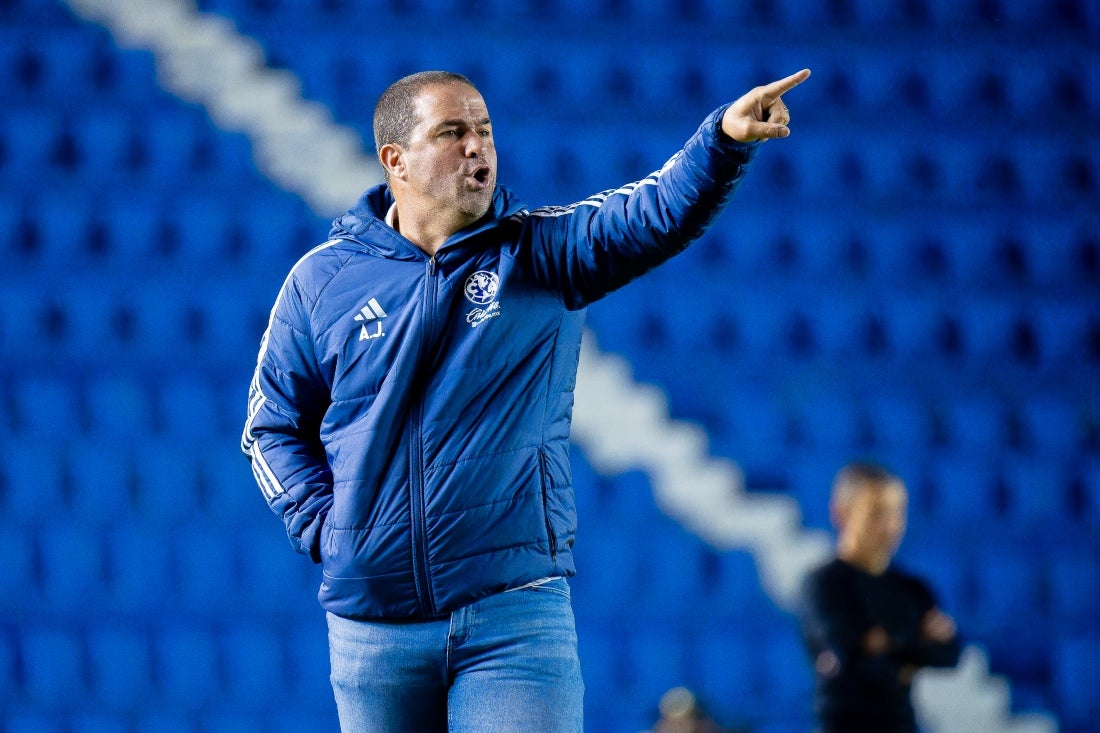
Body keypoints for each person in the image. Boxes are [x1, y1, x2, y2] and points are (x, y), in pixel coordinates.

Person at [242, 66, 810, 732]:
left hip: (511, 617)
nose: (477, 146)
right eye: (452, 132)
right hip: (373, 630)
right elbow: (271, 427)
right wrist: (327, 527)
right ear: (395, 159)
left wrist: (722, 143)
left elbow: (650, 213)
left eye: (484, 130)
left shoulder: (539, 251)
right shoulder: (320, 282)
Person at [799, 462, 962, 733]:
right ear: (841, 513)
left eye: (897, 512)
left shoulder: (912, 588)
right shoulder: (825, 585)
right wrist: (912, 651)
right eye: (876, 513)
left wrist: (886, 645)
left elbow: (949, 653)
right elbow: (849, 660)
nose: (889, 525)